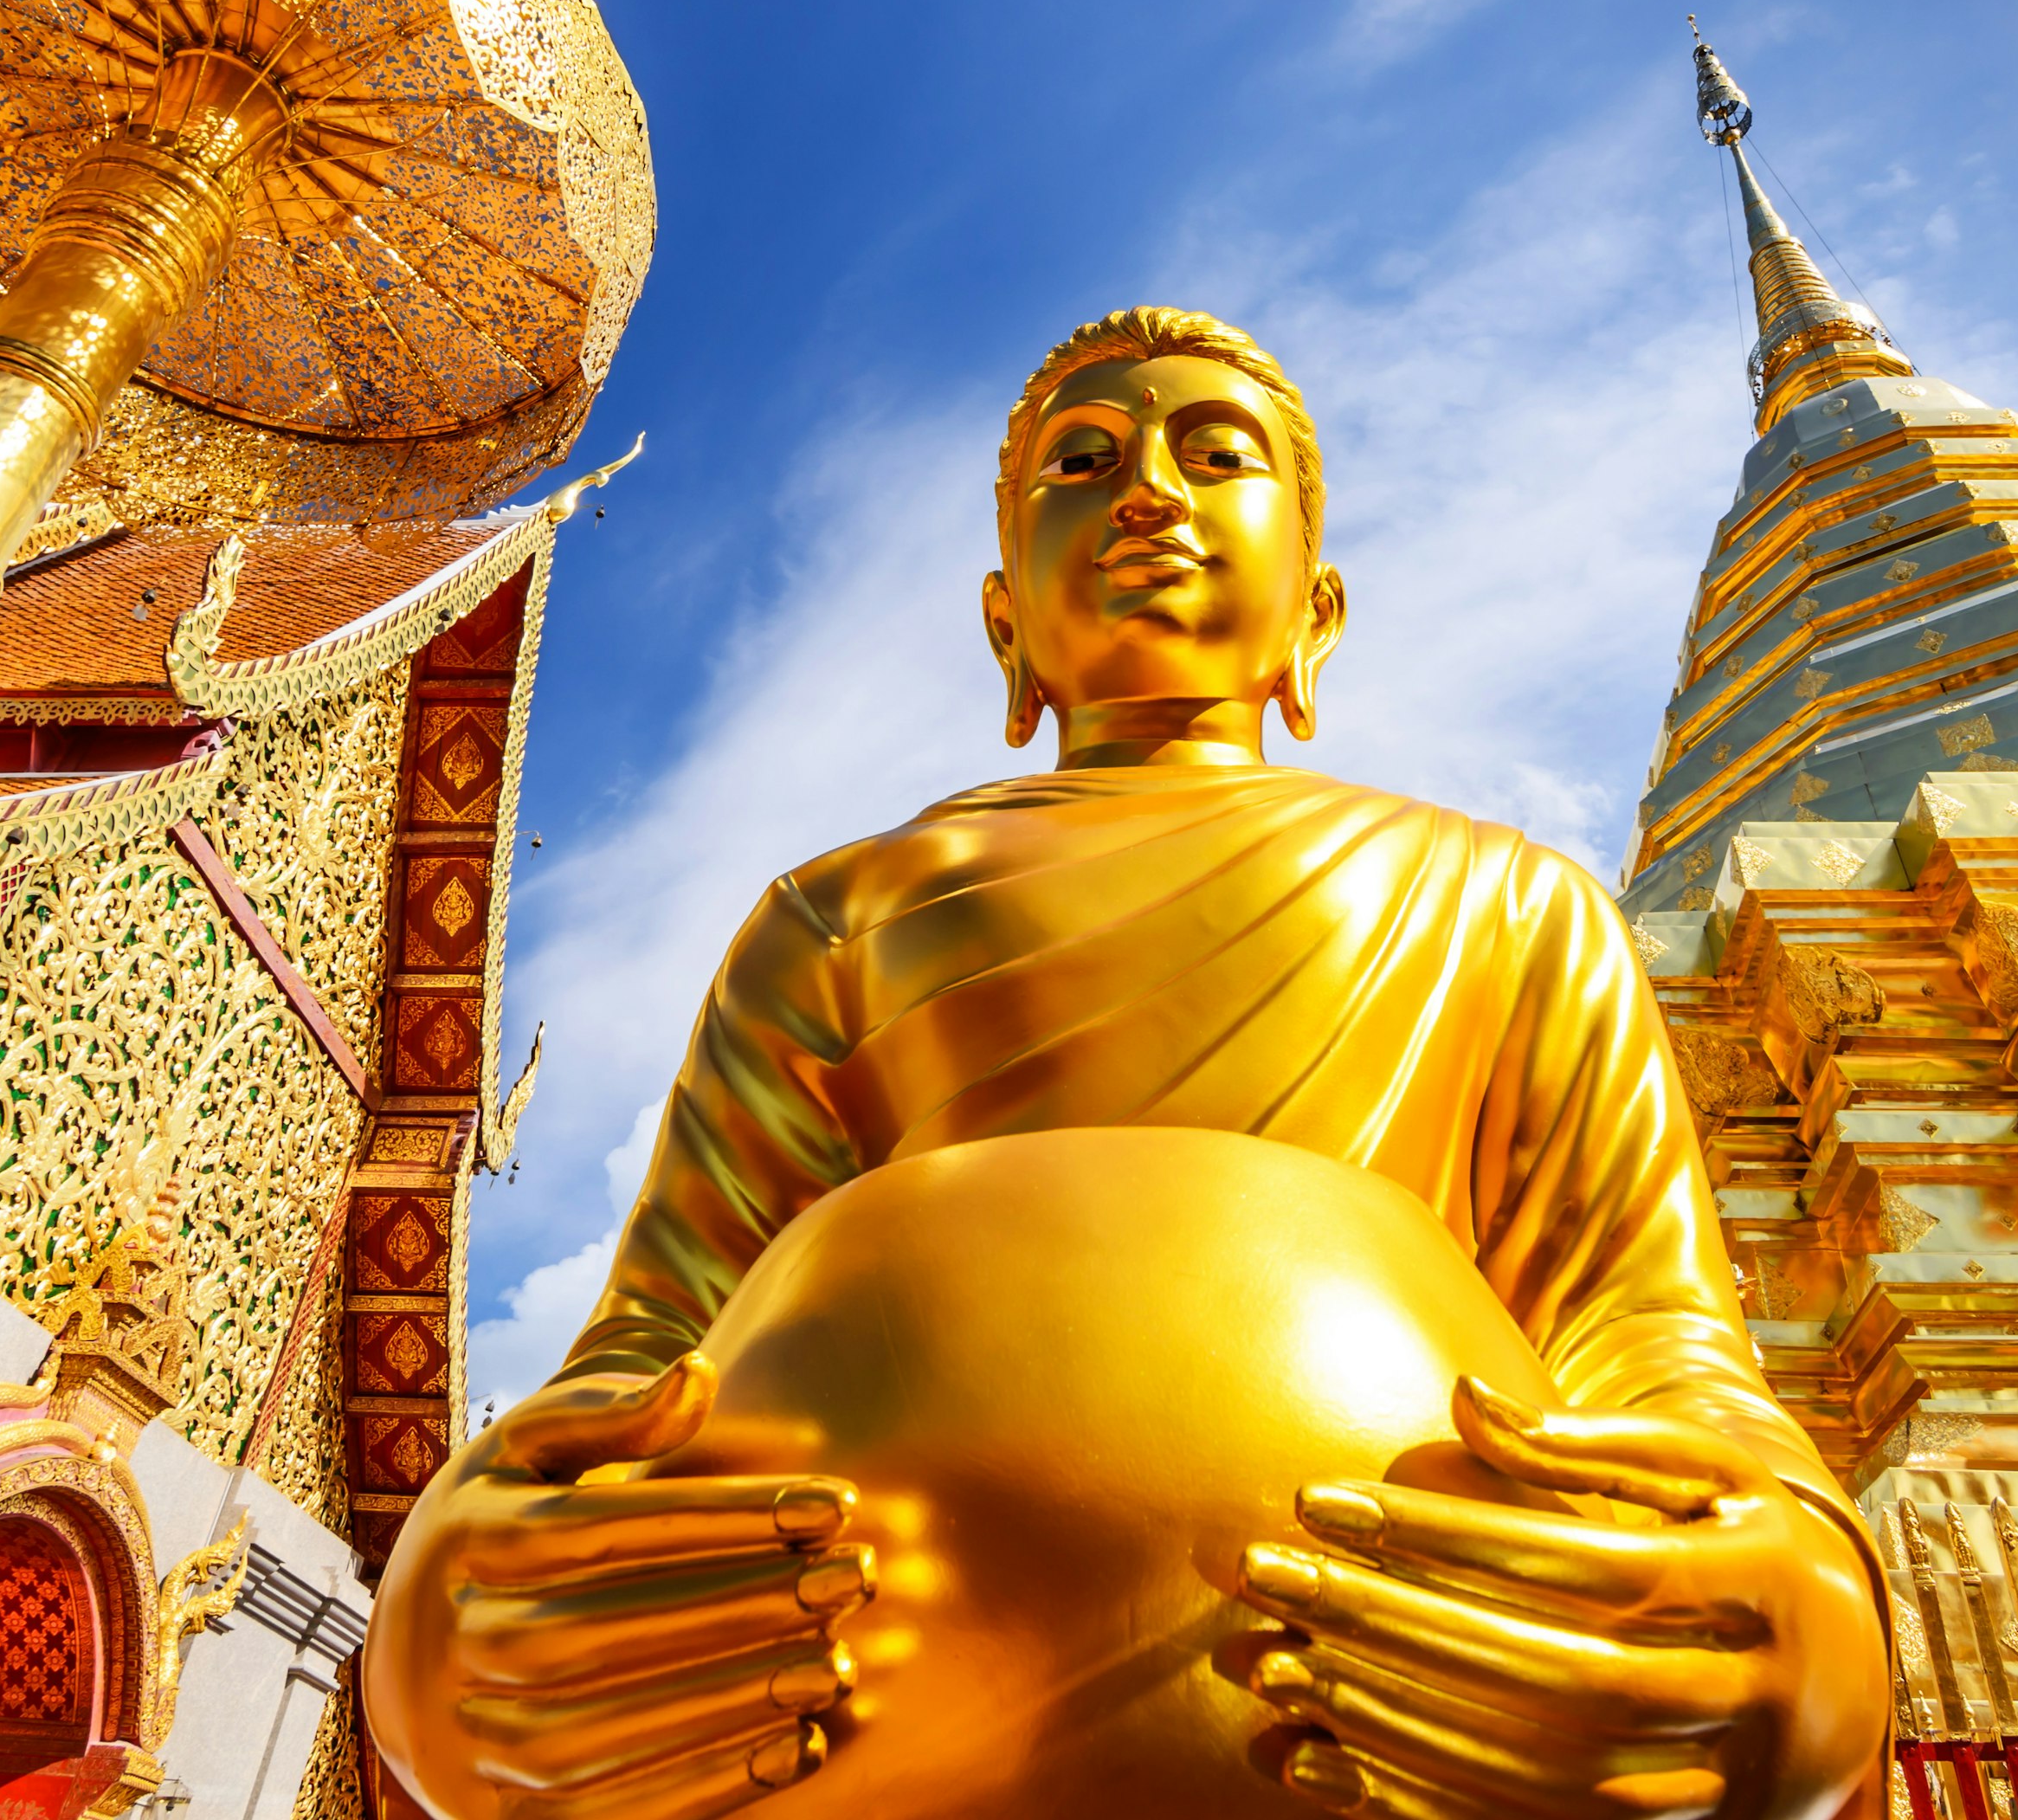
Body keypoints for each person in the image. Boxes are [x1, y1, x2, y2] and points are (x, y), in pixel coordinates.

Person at [365, 307, 1890, 1820]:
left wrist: (1794, 1608)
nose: (1146, 490)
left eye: (1212, 455)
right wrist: (454, 1606)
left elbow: (1653, 1342)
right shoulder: (844, 915)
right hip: (831, 1752)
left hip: (1413, 1741)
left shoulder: (1502, 901)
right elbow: (647, 1359)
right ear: (1003, 622)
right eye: (1081, 465)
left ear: (1320, 608)